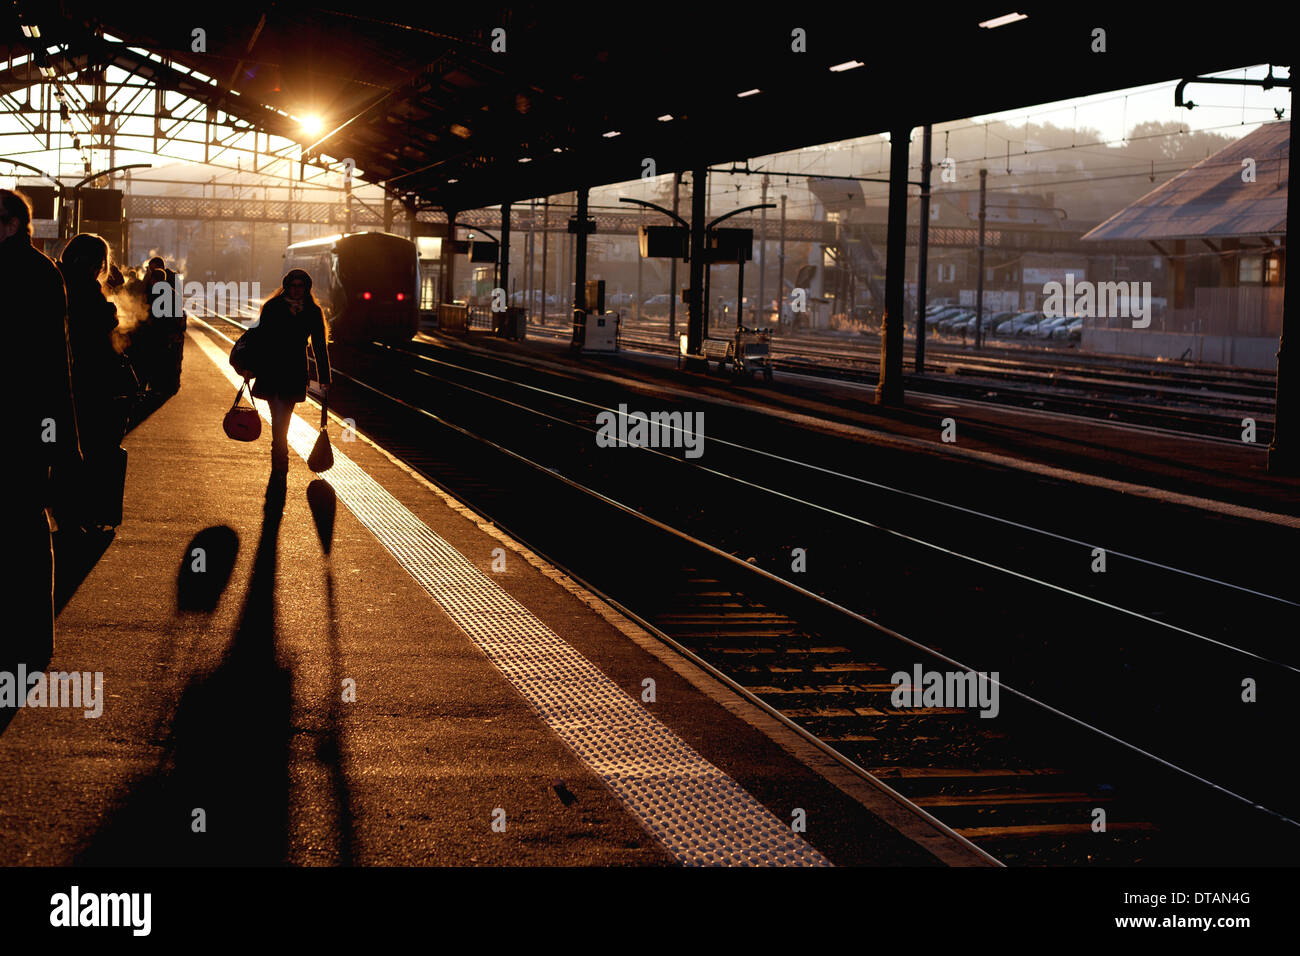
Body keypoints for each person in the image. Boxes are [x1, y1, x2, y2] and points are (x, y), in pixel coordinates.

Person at [1, 188, 81, 669]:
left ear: (12, 222)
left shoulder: (28, 273)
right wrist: (58, 439)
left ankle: (24, 637)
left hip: (21, 423)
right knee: (28, 527)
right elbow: (58, 367)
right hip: (33, 424)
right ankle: (32, 637)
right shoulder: (43, 273)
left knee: (22, 527)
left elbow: (50, 363)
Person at [248, 269, 331, 476]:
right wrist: (251, 366)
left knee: (285, 413)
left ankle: (279, 450)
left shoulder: (313, 311)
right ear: (286, 286)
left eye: (300, 286)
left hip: (295, 369)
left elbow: (319, 346)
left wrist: (324, 378)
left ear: (306, 288)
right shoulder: (272, 307)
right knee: (278, 412)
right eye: (293, 285)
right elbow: (261, 339)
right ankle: (280, 452)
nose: (296, 290)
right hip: (272, 367)